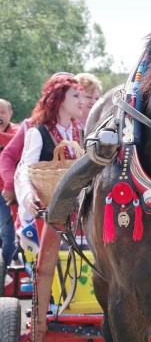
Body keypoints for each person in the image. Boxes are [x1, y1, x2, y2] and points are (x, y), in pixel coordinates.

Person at [15, 74, 83, 223]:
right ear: (59, 98)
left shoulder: (81, 131)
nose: (81, 101)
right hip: (46, 210)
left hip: (77, 211)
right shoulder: (38, 132)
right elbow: (25, 169)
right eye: (76, 96)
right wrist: (28, 194)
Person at [0, 99, 19, 267]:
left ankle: (3, 270)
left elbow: (13, 144)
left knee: (7, 233)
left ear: (10, 114)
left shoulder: (16, 130)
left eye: (2, 112)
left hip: (6, 191)